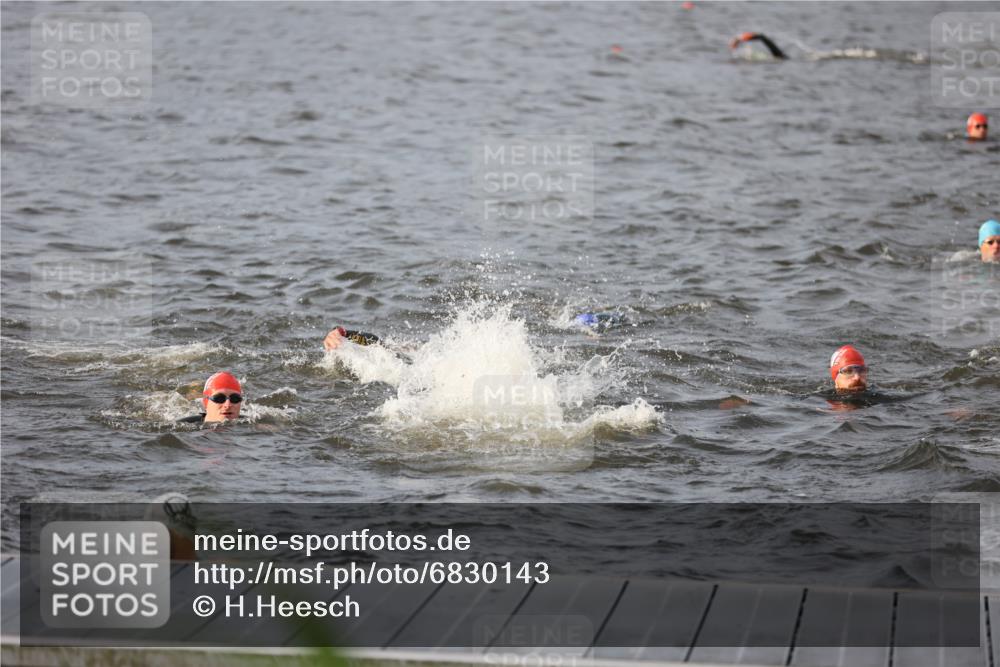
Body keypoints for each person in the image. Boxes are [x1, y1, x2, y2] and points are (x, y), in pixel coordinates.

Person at [177, 371, 243, 423]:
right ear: (206, 402)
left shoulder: (250, 425)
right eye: (219, 398)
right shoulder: (183, 428)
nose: (228, 405)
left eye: (235, 399)